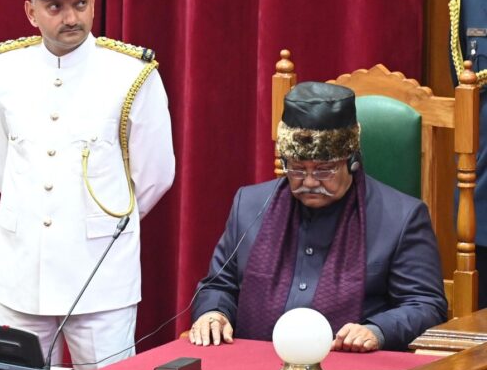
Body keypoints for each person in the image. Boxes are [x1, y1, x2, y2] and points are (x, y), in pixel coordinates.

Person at [0, 0, 176, 370]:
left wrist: (100, 220)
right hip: (23, 271)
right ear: (31, 12)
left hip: (100, 273)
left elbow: (156, 173)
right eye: (55, 7)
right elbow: (0, 162)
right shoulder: (3, 70)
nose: (71, 17)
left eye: (80, 3)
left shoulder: (131, 73)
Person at [188, 82, 448, 352]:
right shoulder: (249, 205)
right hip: (254, 368)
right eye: (298, 169)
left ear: (351, 160)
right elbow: (218, 285)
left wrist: (377, 330)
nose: (310, 182)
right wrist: (213, 313)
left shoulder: (402, 217)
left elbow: (426, 305)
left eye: (324, 170)